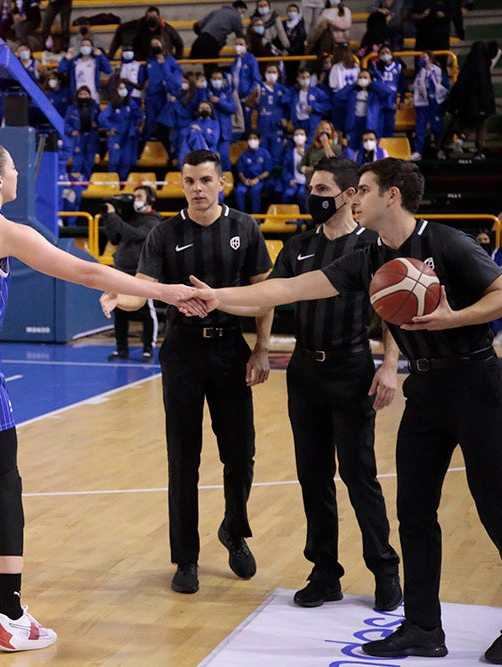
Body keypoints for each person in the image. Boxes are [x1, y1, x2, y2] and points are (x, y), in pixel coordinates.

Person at [0, 142, 203, 652]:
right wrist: (167, 292)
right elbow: (86, 272)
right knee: (4, 478)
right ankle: (10, 616)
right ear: (0, 182)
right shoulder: (4, 230)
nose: (15, 175)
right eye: (12, 169)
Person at [189, 158, 502, 664]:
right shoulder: (367, 257)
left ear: (393, 196)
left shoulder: (445, 243)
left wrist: (454, 318)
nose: (355, 197)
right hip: (425, 389)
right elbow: (287, 289)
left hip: (477, 382)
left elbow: (501, 292)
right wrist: (216, 297)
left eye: (366, 190)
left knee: (496, 506)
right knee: (414, 512)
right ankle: (423, 627)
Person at [102, 149, 274, 595]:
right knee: (184, 461)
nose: (197, 188)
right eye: (189, 181)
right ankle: (186, 559)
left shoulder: (245, 228)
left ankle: (234, 531)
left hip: (230, 353)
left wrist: (261, 350)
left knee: (240, 455)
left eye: (205, 180)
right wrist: (117, 298)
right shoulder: (163, 233)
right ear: (181, 184)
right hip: (181, 353)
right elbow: (139, 293)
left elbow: (265, 296)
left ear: (222, 182)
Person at [240, 157, 405, 610]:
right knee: (313, 477)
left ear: (350, 195)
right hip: (304, 372)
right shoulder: (297, 246)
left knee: (358, 475)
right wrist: (260, 346)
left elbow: (391, 311)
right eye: (310, 187)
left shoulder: (373, 246)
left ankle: (385, 569)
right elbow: (269, 296)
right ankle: (325, 572)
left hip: (352, 371)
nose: (312, 196)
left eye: (322, 188)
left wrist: (389, 364)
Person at [102, 185, 161, 361]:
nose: (135, 199)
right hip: (121, 269)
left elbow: (134, 234)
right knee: (119, 311)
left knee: (146, 311)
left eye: (139, 196)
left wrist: (114, 216)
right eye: (134, 196)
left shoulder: (154, 221)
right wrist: (108, 218)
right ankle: (121, 349)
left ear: (150, 199)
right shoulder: (129, 217)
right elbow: (115, 238)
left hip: (140, 272)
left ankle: (148, 349)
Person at [438, 40, 501, 161]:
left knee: (457, 125)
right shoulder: (484, 68)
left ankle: (444, 149)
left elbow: (458, 87)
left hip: (464, 106)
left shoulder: (467, 67)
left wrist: (452, 104)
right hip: (481, 106)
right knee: (481, 126)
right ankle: (477, 150)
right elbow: (485, 90)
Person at [191, 1, 249, 77]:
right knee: (211, 70)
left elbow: (197, 26)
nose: (242, 15)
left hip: (200, 40)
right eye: (242, 12)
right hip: (213, 43)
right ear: (239, 8)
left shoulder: (216, 11)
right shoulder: (236, 16)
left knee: (194, 60)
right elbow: (240, 35)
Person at [410, 51, 448, 161]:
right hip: (422, 105)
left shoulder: (438, 71)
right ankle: (418, 151)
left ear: (430, 59)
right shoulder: (419, 73)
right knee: (420, 129)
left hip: (435, 104)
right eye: (420, 57)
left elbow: (445, 86)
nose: (421, 59)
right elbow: (417, 89)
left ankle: (441, 150)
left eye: (424, 57)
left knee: (437, 129)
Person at [235, 131, 274, 214]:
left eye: (255, 138)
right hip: (245, 180)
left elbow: (268, 171)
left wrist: (257, 179)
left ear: (260, 140)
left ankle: (256, 218)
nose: (252, 140)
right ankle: (241, 217)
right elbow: (240, 171)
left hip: (259, 180)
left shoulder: (265, 153)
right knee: (239, 191)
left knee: (255, 191)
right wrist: (244, 180)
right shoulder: (244, 154)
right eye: (250, 138)